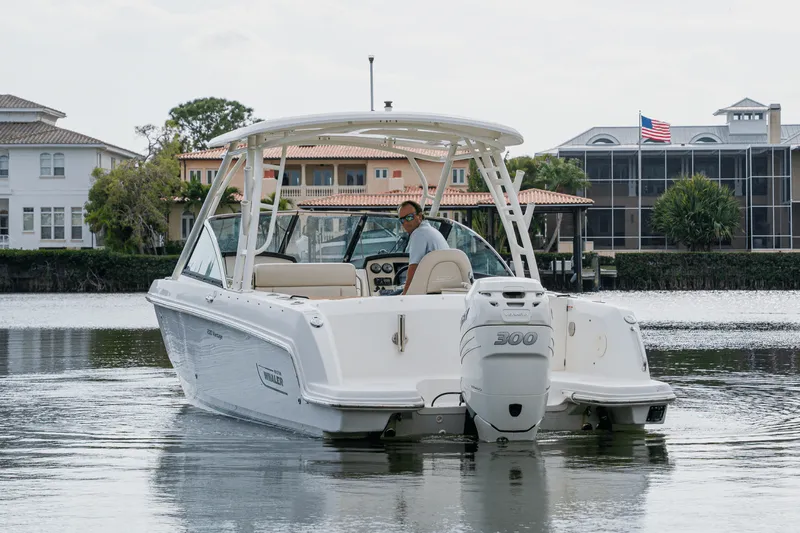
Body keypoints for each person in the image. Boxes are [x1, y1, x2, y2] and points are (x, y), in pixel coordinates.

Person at [389, 200, 449, 295]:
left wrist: (404, 295)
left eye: (409, 217)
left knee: (388, 299)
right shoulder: (431, 230)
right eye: (402, 220)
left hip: (430, 290)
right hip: (442, 287)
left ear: (419, 216)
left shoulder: (418, 234)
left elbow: (413, 268)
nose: (405, 222)